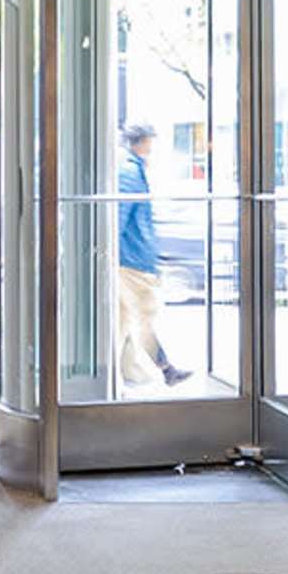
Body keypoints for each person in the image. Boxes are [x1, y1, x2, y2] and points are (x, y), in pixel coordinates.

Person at [116, 123, 183, 389]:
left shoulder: (129, 168)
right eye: (150, 141)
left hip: (128, 256)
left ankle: (127, 373)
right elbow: (122, 214)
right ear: (141, 142)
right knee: (145, 313)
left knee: (123, 320)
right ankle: (166, 369)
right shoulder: (131, 172)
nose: (152, 147)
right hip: (133, 258)